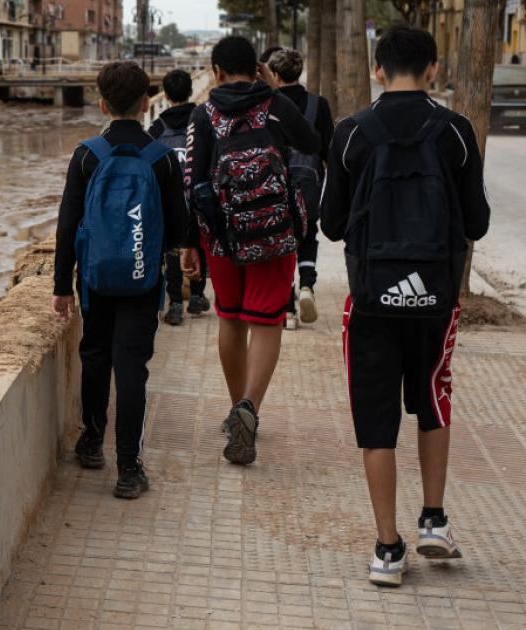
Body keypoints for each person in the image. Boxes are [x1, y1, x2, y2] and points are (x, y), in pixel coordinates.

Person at [320, 25, 489, 587]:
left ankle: (388, 550)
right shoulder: (457, 132)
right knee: (432, 399)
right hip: (435, 299)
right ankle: (434, 521)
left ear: (377, 70)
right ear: (434, 70)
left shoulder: (350, 134)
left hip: (372, 299)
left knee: (375, 419)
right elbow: (479, 222)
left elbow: (332, 223)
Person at [53, 61, 189, 499]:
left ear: (102, 104)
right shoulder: (162, 159)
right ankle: (129, 469)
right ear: (147, 103)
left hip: (94, 281)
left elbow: (67, 223)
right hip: (142, 280)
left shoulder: (87, 154)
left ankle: (92, 442)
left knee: (95, 357)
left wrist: (60, 285)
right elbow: (178, 227)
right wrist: (182, 260)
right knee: (132, 369)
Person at [182, 36, 319, 465]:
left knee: (231, 318)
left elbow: (193, 180)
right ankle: (250, 407)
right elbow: (312, 143)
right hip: (274, 231)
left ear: (217, 71)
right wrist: (275, 92)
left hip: (222, 236)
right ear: (258, 67)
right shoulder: (274, 105)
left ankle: (234, 408)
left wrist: (191, 244)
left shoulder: (203, 113)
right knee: (266, 321)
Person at [266, 48, 336, 328]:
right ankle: (307, 285)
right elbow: (328, 150)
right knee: (308, 233)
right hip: (309, 181)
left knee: (281, 241)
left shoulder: (270, 104)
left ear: (276, 75)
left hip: (276, 181)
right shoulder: (318, 104)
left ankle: (287, 309)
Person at [148, 68, 208, 326]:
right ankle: (196, 296)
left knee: (173, 250)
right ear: (190, 91)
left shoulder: (157, 127)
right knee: (197, 244)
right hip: (198, 195)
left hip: (168, 199)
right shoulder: (202, 120)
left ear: (167, 94)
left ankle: (174, 304)